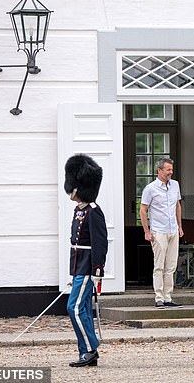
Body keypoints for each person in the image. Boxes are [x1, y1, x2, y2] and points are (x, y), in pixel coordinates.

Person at [63, 154, 108, 367]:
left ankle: (91, 349)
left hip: (87, 267)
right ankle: (86, 353)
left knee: (74, 307)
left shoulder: (93, 212)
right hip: (78, 267)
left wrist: (97, 270)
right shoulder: (79, 211)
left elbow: (100, 244)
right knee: (81, 310)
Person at [140, 158, 184, 309]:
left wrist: (180, 226)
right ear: (159, 170)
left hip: (173, 230)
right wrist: (146, 230)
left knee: (171, 266)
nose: (171, 172)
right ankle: (159, 297)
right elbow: (143, 209)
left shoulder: (175, 185)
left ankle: (168, 297)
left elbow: (177, 206)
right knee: (159, 265)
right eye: (168, 170)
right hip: (158, 231)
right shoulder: (150, 188)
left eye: (172, 169)